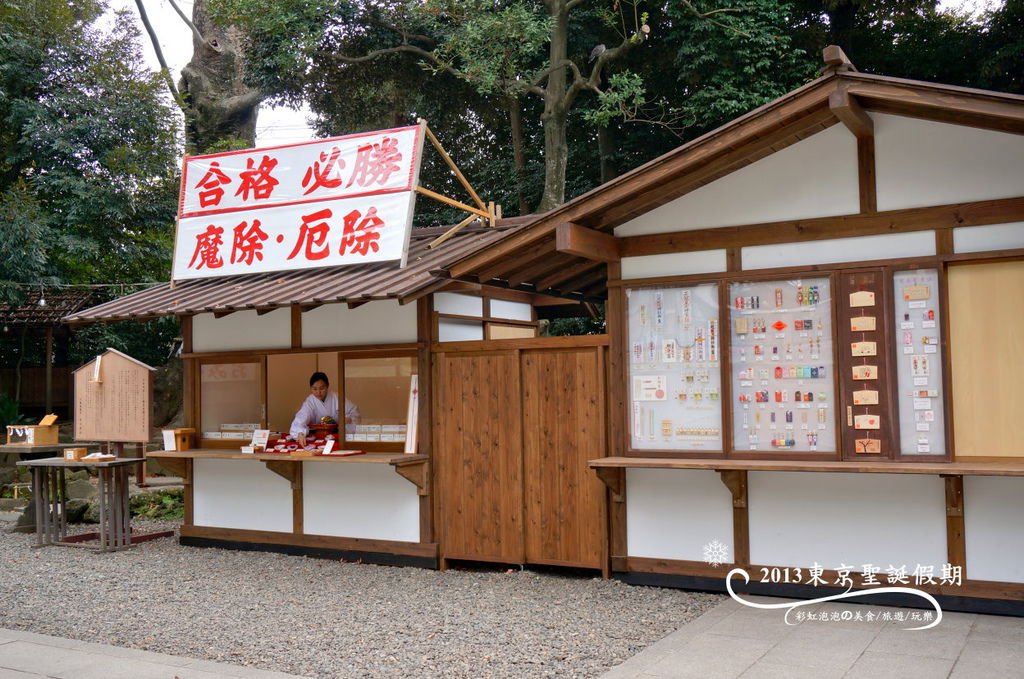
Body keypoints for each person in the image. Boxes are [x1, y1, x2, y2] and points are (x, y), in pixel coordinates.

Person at [289, 372, 359, 446]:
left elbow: (354, 412)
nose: (318, 392)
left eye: (322, 388)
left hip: (337, 436)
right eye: (315, 389)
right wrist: (300, 433)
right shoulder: (310, 401)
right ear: (311, 388)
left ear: (327, 386)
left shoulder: (336, 398)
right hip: (317, 437)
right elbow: (301, 417)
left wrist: (349, 419)